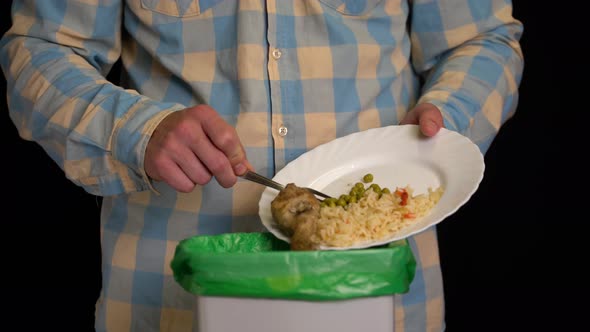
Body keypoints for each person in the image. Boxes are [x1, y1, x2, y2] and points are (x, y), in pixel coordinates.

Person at [0, 0, 523, 331]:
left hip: (377, 294)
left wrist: (446, 125)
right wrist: (135, 129)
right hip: (168, 299)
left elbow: (480, 39)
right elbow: (41, 49)